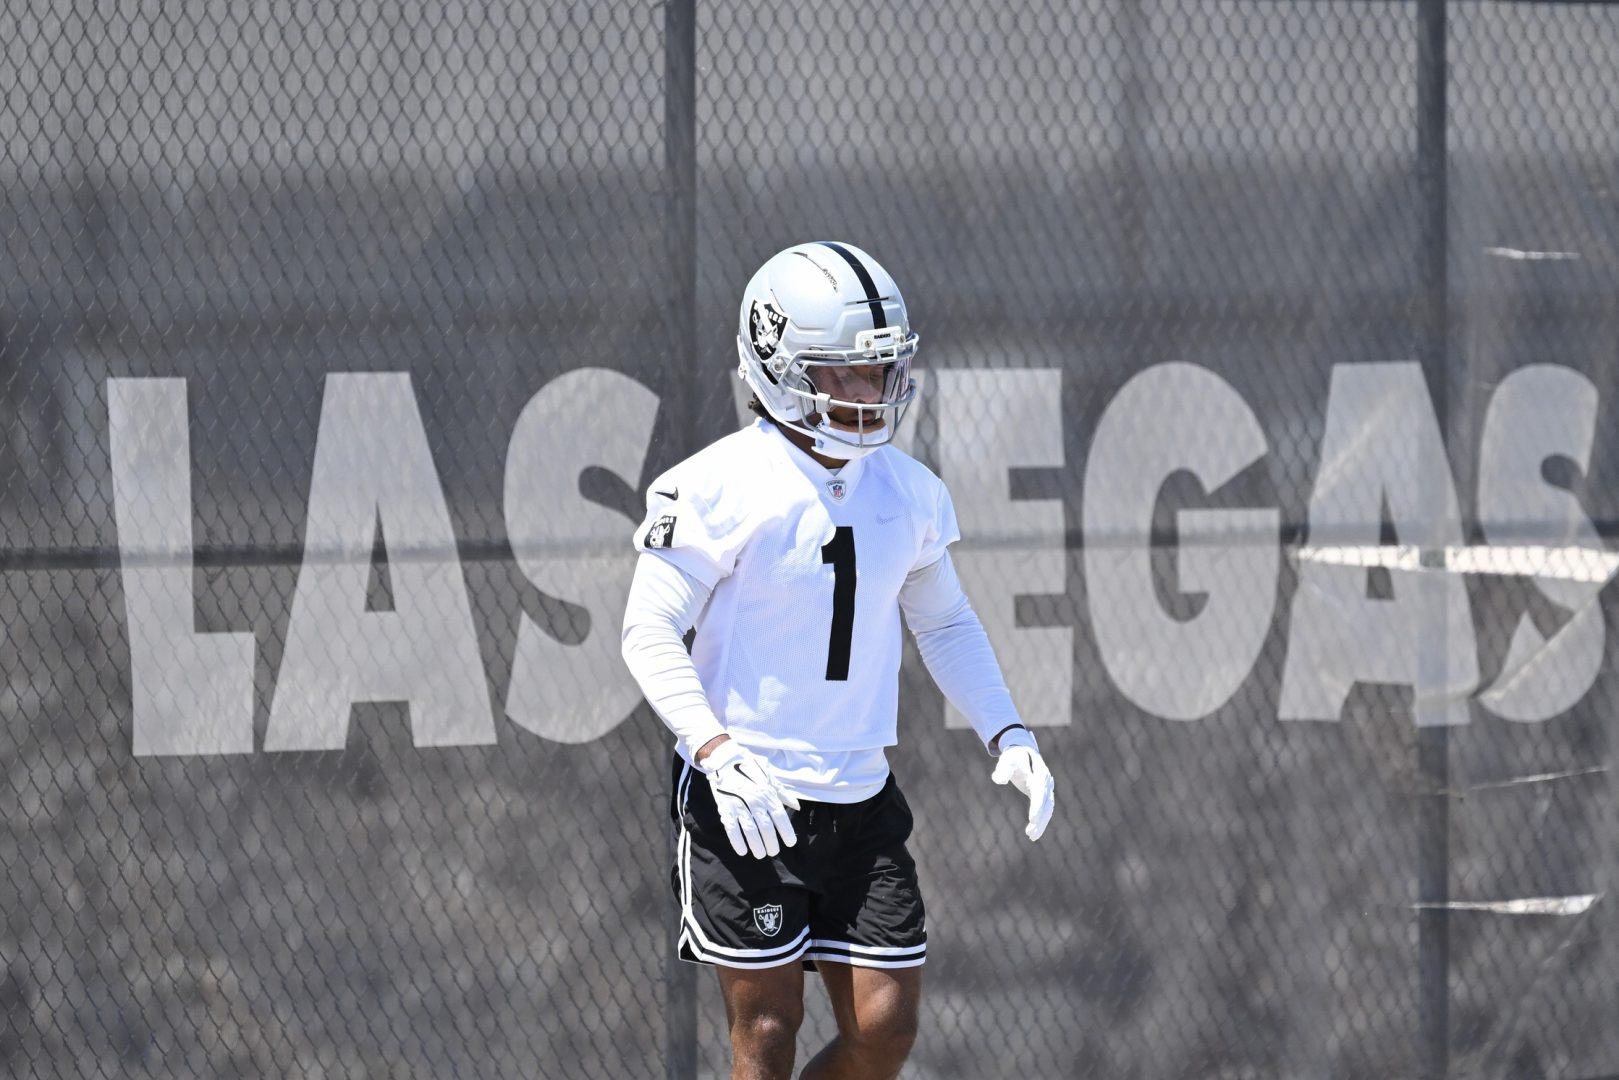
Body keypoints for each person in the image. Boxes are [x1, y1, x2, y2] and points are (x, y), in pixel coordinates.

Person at [621, 241, 1056, 1080]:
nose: (870, 392)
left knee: (885, 1024)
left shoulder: (910, 491)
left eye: (882, 370)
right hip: (748, 793)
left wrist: (1007, 732)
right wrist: (718, 754)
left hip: (858, 791)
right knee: (768, 1028)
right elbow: (647, 629)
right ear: (778, 368)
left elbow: (946, 622)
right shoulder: (715, 486)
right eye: (845, 372)